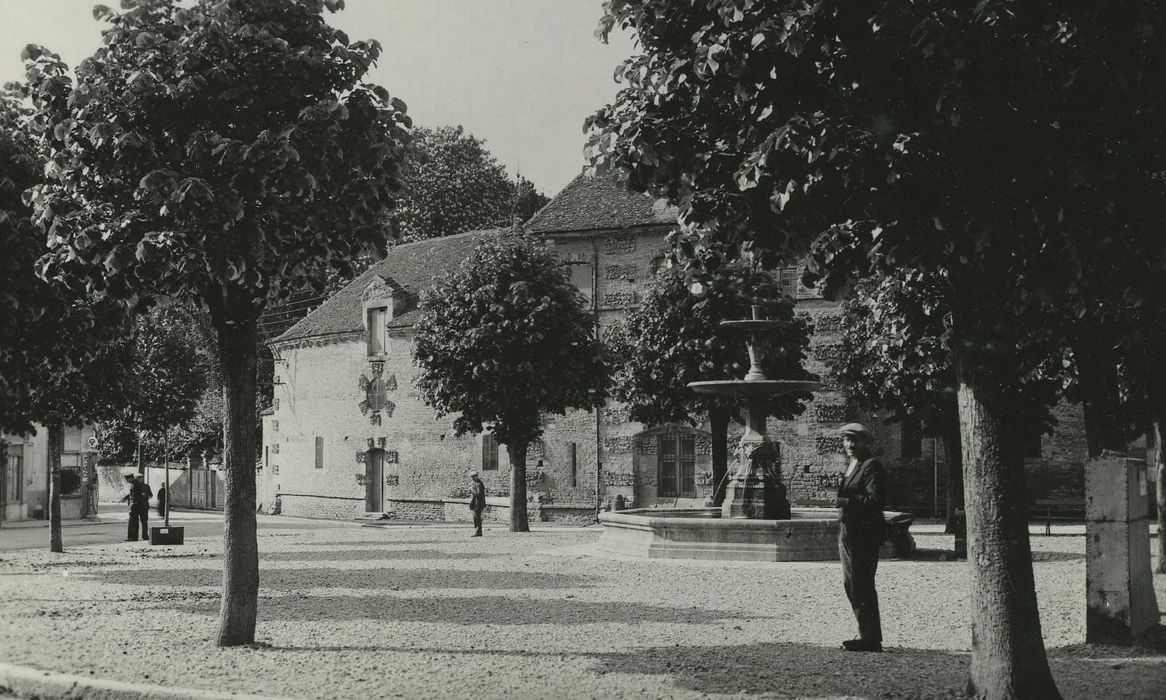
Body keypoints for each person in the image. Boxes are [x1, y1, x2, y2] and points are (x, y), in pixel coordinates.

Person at [835, 423, 887, 652]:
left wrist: (848, 502)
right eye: (846, 440)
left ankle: (871, 638)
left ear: (865, 442)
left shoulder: (871, 465)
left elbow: (876, 501)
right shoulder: (852, 464)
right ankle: (864, 632)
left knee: (862, 584)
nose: (850, 445)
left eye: (854, 440)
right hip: (848, 531)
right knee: (851, 584)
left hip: (864, 534)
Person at [125, 473, 153, 542]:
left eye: (140, 478)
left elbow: (150, 495)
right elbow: (132, 495)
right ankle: (135, 536)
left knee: (144, 522)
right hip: (137, 506)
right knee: (135, 522)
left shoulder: (145, 486)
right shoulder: (134, 485)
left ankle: (144, 536)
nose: (139, 479)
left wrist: (145, 496)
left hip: (143, 506)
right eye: (138, 478)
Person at [468, 470, 485, 537]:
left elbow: (479, 494)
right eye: (471, 477)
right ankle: (477, 531)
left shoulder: (479, 484)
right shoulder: (475, 483)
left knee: (477, 518)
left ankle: (478, 531)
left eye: (473, 477)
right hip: (475, 503)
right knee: (476, 518)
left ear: (476, 476)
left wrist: (472, 490)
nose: (472, 478)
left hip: (478, 503)